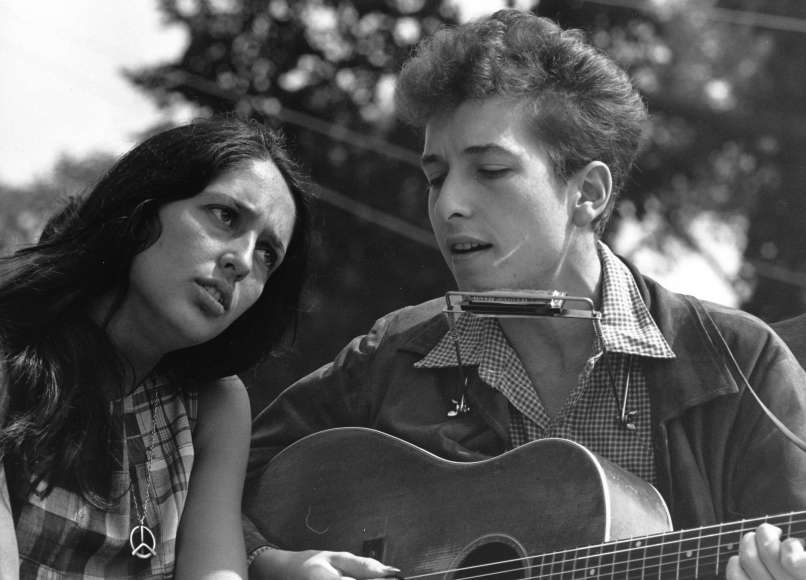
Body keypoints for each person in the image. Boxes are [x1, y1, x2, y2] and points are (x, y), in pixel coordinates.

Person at [242, 9, 806, 580]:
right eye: (436, 176)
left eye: (489, 170)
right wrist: (272, 562)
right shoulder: (392, 355)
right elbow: (203, 486)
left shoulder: (742, 364)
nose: (448, 205)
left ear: (587, 192)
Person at [0, 116, 311, 579]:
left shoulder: (216, 407)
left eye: (268, 253)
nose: (243, 262)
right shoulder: (9, 354)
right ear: (143, 208)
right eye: (225, 216)